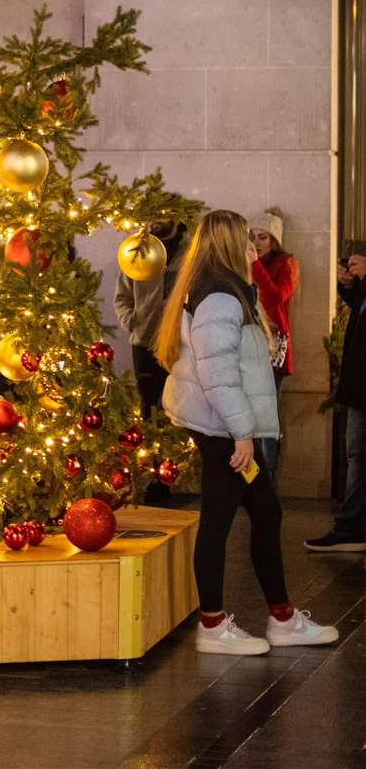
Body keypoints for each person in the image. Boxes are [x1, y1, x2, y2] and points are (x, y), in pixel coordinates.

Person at [154, 209, 339, 654]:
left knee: (266, 513)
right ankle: (214, 626)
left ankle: (282, 618)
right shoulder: (219, 294)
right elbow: (218, 373)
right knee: (219, 519)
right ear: (231, 242)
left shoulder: (229, 287)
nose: (252, 247)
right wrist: (243, 434)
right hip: (224, 429)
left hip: (228, 425)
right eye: (246, 239)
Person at [114, 218, 188, 504]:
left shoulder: (187, 251)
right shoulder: (137, 249)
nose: (157, 221)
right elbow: (121, 297)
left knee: (175, 408)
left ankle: (175, 474)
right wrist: (133, 323)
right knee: (149, 410)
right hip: (143, 342)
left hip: (176, 343)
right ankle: (154, 480)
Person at [307, 244, 366, 552]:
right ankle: (352, 526)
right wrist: (350, 288)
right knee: (357, 455)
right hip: (360, 386)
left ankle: (351, 526)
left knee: (359, 455)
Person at [248, 210, 297, 475]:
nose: (256, 242)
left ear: (274, 240)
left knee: (266, 420)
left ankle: (266, 480)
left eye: (262, 237)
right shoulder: (243, 263)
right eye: (251, 236)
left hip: (271, 348)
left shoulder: (286, 264)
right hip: (247, 345)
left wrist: (255, 266)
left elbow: (275, 298)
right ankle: (250, 480)